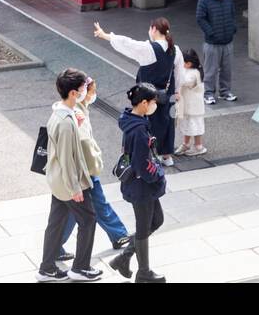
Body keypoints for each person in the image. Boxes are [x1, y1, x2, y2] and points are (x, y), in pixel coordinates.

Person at [36, 69, 103, 282]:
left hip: (57, 180)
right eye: (83, 88)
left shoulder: (61, 113)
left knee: (56, 222)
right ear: (74, 93)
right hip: (69, 183)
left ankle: (46, 268)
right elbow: (67, 158)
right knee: (88, 219)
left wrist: (78, 124)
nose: (86, 91)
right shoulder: (66, 121)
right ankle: (80, 267)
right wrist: (75, 188)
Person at [54, 78, 130, 263]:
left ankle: (55, 246)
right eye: (90, 91)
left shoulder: (77, 109)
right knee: (97, 205)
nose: (92, 95)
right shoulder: (76, 114)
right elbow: (83, 145)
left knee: (73, 211)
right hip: (84, 172)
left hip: (81, 173)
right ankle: (119, 234)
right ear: (78, 92)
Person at [94, 18, 184, 166]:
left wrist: (106, 36)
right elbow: (179, 72)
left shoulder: (148, 49)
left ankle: (149, 155)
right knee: (166, 121)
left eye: (150, 28)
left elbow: (127, 44)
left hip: (147, 96)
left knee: (147, 123)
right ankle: (167, 156)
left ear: (154, 29)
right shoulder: (176, 49)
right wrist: (177, 91)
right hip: (167, 94)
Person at [111, 82, 168, 282]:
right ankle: (143, 273)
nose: (155, 105)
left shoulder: (134, 121)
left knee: (156, 220)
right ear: (144, 103)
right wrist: (159, 174)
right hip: (141, 186)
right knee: (144, 226)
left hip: (142, 186)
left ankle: (123, 258)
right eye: (153, 102)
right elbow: (142, 165)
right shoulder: (138, 130)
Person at [195, 0, 238, 105]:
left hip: (227, 41)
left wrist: (233, 29)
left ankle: (225, 92)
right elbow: (200, 19)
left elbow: (232, 14)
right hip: (212, 43)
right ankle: (208, 93)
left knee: (227, 69)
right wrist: (211, 32)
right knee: (210, 70)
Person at [174, 49, 207, 156]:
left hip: (194, 108)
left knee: (195, 126)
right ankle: (186, 144)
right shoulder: (188, 70)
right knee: (187, 126)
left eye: (182, 62)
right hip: (187, 106)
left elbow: (184, 81)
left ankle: (198, 146)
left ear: (189, 63)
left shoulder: (194, 73)